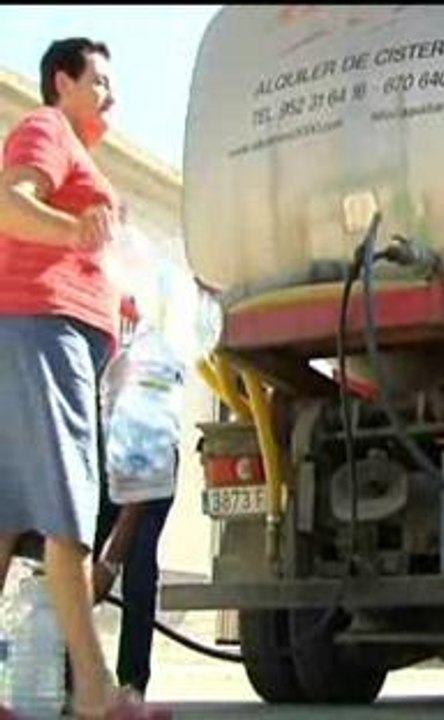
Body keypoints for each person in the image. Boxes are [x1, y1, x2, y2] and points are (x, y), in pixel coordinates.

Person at [0, 36, 168, 718]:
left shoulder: (80, 159)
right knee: (66, 507)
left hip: (40, 332)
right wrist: (73, 235)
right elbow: (9, 203)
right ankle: (97, 694)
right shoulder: (48, 130)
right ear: (61, 82)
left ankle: (93, 691)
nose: (110, 93)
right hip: (46, 330)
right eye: (96, 79)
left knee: (8, 517)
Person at [91, 295, 176, 699]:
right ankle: (70, 677)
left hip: (149, 460)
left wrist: (109, 562)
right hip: (107, 445)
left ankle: (131, 685)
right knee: (73, 557)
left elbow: (141, 491)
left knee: (137, 563)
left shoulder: (152, 354)